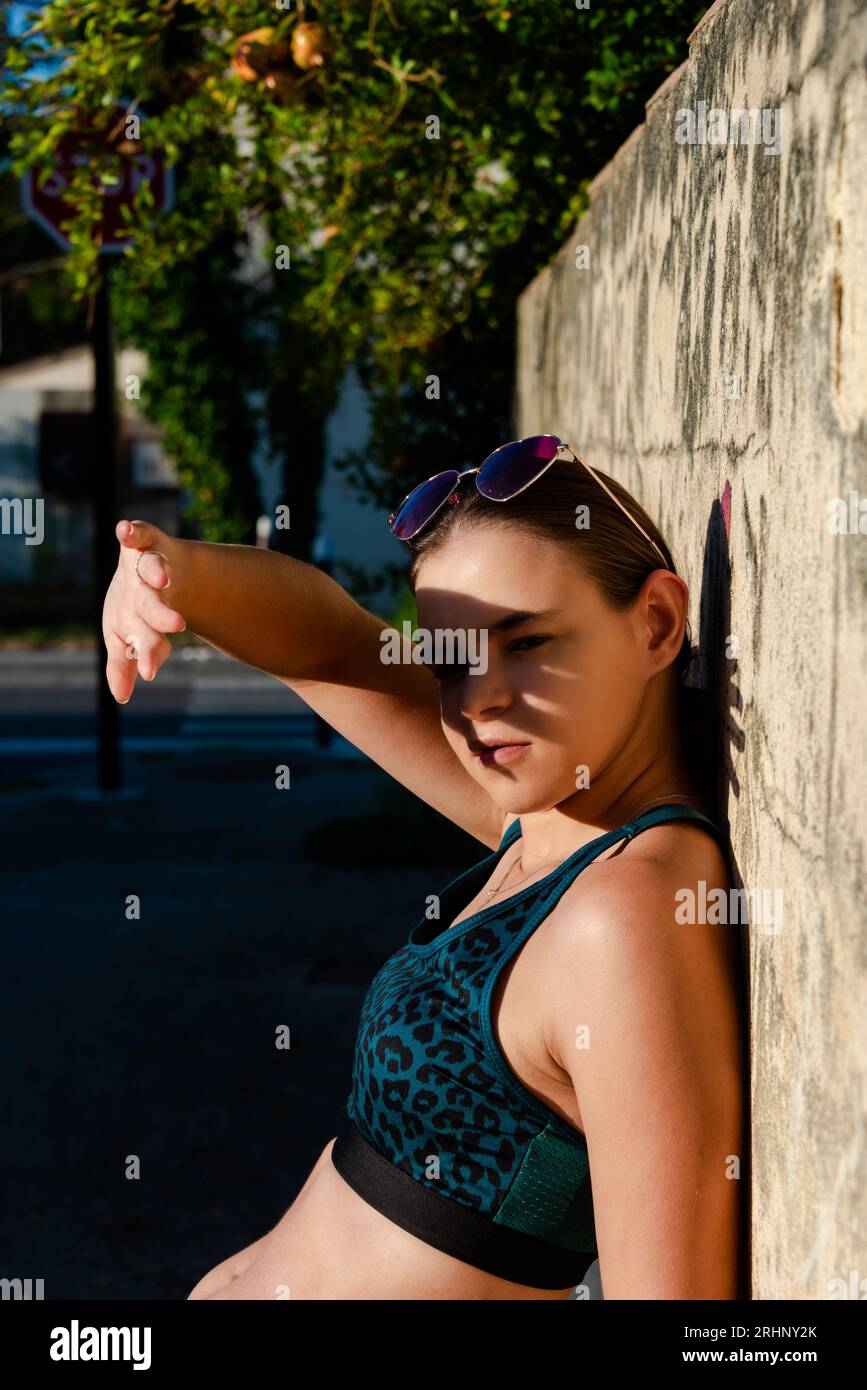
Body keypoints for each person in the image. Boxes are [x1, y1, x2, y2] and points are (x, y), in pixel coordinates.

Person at [102, 434, 745, 1301]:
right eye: (450, 661)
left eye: (526, 643)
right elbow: (332, 648)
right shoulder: (542, 818)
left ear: (658, 623)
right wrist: (168, 574)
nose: (476, 697)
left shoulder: (622, 911)